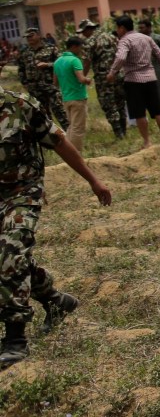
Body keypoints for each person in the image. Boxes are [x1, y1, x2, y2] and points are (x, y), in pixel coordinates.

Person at [0, 88, 113, 368]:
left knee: (8, 256)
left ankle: (14, 340)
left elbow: (60, 143)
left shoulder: (20, 105)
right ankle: (56, 301)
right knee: (14, 258)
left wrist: (93, 181)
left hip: (22, 192)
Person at [107, 15, 160, 149]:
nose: (117, 31)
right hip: (151, 78)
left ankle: (147, 142)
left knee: (139, 113)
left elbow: (121, 57)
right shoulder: (147, 38)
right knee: (158, 111)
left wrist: (112, 72)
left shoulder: (124, 40)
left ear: (122, 28)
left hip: (133, 80)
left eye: (117, 28)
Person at [80, 19, 124, 138]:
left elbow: (87, 61)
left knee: (108, 104)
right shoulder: (111, 37)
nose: (83, 35)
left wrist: (83, 76)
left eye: (83, 32)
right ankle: (124, 131)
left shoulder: (90, 42)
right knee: (120, 102)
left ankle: (119, 133)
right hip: (118, 74)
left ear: (88, 29)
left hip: (103, 77)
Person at [17, 28, 67, 131]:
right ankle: (53, 138)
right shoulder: (24, 53)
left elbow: (61, 64)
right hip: (35, 89)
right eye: (27, 37)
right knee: (43, 115)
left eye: (31, 35)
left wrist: (47, 64)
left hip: (51, 87)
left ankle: (71, 136)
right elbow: (21, 69)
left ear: (39, 35)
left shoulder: (51, 49)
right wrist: (25, 83)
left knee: (60, 112)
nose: (29, 38)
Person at [53, 36, 91, 154]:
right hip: (78, 97)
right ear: (74, 47)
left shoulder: (57, 61)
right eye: (80, 47)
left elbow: (55, 82)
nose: (80, 50)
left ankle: (67, 151)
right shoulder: (75, 60)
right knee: (78, 128)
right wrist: (87, 80)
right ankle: (75, 153)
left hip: (66, 98)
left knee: (71, 126)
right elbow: (81, 79)